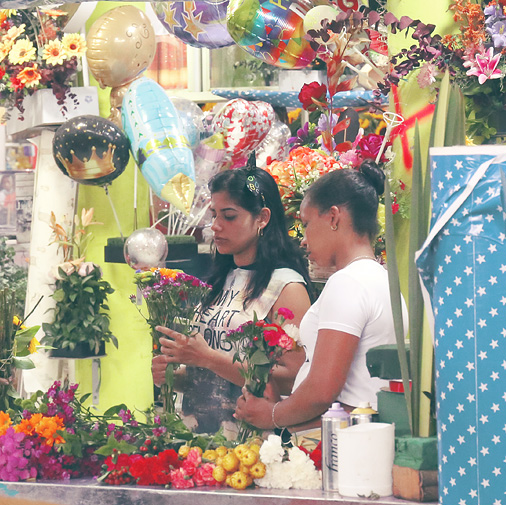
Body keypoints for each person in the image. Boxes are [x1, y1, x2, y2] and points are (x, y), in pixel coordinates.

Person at [151, 168, 312, 436]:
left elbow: (296, 378)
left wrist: (209, 359)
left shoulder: (286, 287)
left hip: (251, 445)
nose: (215, 225)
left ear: (262, 218)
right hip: (198, 438)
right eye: (214, 215)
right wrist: (173, 376)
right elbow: (207, 376)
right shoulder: (220, 279)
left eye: (229, 216)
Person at [234, 163, 394, 431]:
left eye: (306, 224)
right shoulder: (379, 278)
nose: (304, 240)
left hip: (342, 444)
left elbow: (323, 390)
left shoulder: (348, 283)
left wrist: (272, 415)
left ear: (333, 217)